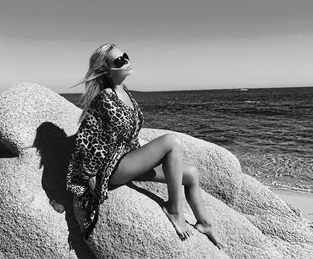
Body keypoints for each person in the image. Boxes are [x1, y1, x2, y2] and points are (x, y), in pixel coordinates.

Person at [66, 43, 224, 248]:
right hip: (114, 168)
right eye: (120, 60)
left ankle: (205, 223)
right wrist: (86, 178)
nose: (127, 61)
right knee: (172, 141)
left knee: (192, 174)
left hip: (131, 159)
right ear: (107, 70)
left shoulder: (126, 93)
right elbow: (86, 140)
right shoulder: (103, 99)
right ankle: (174, 210)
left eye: (126, 56)